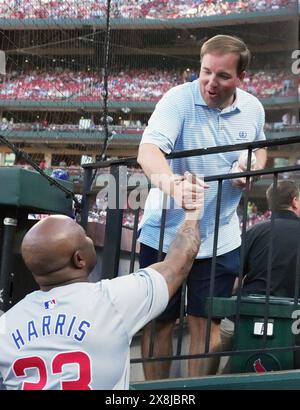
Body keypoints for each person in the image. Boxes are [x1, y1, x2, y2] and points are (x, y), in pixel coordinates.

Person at [137, 34, 267, 379]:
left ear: (241, 78)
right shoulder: (177, 100)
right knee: (159, 322)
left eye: (223, 76)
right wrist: (173, 185)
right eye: (205, 71)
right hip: (163, 234)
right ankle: (159, 397)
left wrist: (248, 166)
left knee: (205, 323)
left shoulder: (254, 108)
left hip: (220, 238)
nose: (211, 82)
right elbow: (148, 151)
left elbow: (260, 150)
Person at [0, 198, 202, 390]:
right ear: (79, 259)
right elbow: (178, 264)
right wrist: (192, 212)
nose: (89, 238)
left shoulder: (6, 324)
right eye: (84, 236)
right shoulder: (113, 300)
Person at [219, 179, 300, 373]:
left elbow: (234, 277)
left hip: (246, 315)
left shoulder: (254, 231)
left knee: (230, 356)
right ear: (295, 201)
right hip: (293, 321)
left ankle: (206, 383)